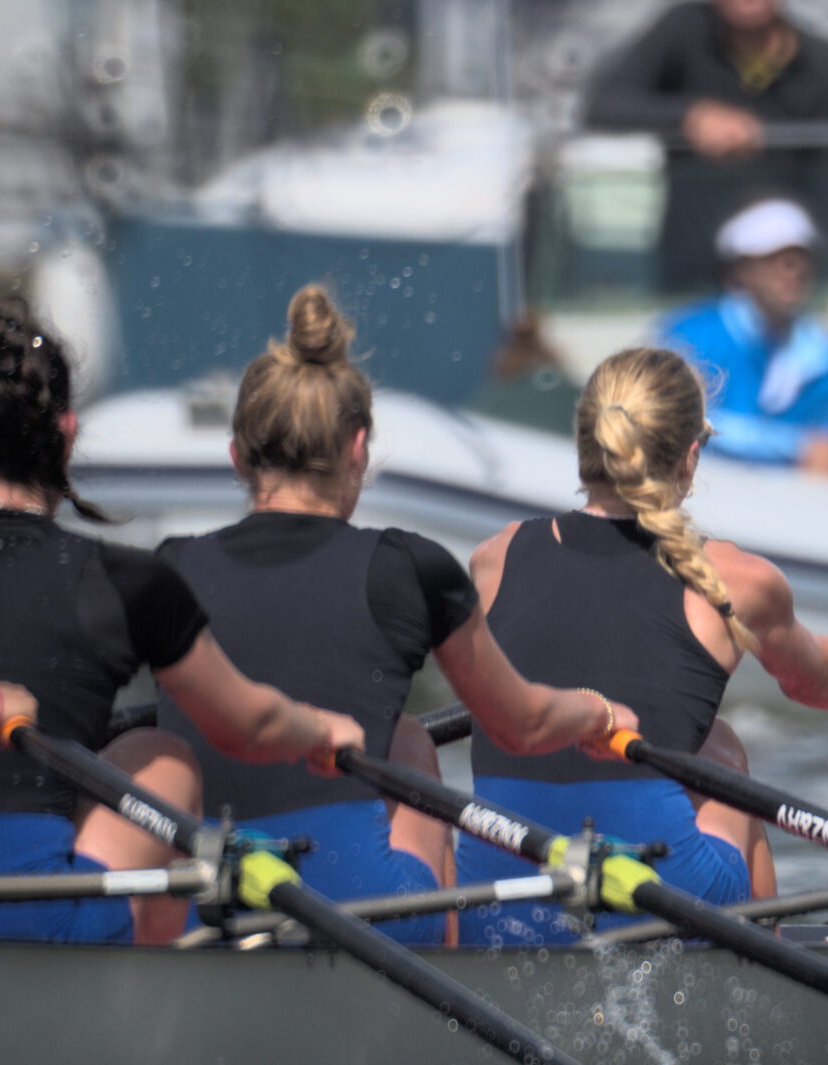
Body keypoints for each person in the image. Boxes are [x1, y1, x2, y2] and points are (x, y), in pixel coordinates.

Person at [154, 285, 636, 946]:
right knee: (407, 744)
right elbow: (521, 723)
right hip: (357, 906)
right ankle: (436, 965)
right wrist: (597, 712)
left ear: (237, 456)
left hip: (194, 903)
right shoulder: (406, 566)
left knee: (148, 749)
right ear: (359, 449)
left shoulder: (170, 568)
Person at [457, 346, 828, 945]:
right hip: (660, 890)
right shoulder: (733, 578)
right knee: (722, 752)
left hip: (500, 889)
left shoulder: (493, 556)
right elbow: (819, 679)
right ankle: (763, 974)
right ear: (691, 456)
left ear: (584, 448)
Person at [0, 298, 365, 946]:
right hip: (38, 923)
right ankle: (140, 1013)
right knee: (159, 756)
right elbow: (249, 727)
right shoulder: (123, 581)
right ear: (67, 434)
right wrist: (320, 729)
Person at [582, 0, 828, 291]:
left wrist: (816, 282)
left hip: (782, 281)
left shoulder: (822, 65)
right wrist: (689, 116)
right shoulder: (685, 31)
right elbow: (604, 106)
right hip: (691, 271)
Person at [656, 196, 828, 475]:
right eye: (774, 258)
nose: (793, 269)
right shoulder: (686, 339)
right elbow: (656, 447)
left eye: (801, 258)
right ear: (739, 270)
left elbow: (825, 470)